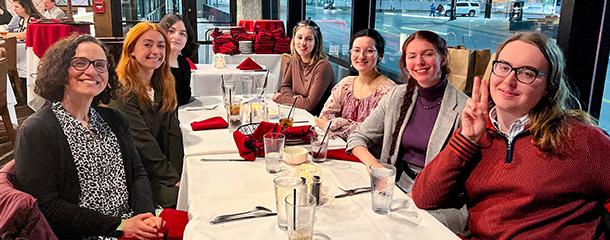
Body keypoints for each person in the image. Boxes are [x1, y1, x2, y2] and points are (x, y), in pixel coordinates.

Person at [412, 32, 610, 239]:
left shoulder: (582, 138)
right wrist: (466, 139)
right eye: (504, 67)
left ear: (549, 87)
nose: (509, 81)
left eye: (526, 73)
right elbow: (423, 197)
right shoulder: (479, 131)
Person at [14, 34, 164, 239]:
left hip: (128, 226)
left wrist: (144, 216)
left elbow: (138, 173)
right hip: (83, 234)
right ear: (60, 70)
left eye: (100, 65)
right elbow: (46, 205)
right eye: (80, 63)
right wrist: (120, 226)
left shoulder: (114, 119)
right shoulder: (37, 129)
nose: (92, 71)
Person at [346, 30, 468, 233]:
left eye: (427, 54)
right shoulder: (398, 95)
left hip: (440, 202)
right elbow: (357, 137)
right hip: (393, 188)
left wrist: (413, 196)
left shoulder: (463, 108)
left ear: (443, 57)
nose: (419, 61)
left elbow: (462, 180)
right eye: (412, 56)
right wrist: (378, 169)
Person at [109, 22, 184, 209]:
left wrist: (181, 173)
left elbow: (172, 132)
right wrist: (171, 177)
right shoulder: (122, 90)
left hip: (160, 170)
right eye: (148, 44)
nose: (156, 51)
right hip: (135, 174)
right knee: (191, 198)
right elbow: (141, 141)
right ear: (131, 49)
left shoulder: (164, 83)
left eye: (161, 45)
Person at [314, 29, 395, 140]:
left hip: (368, 155)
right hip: (338, 146)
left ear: (380, 55)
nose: (361, 56)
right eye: (356, 50)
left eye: (369, 51)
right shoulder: (345, 84)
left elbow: (373, 134)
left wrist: (334, 124)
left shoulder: (388, 91)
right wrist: (331, 125)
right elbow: (324, 118)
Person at [273, 20, 335, 115]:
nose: (303, 43)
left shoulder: (323, 66)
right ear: (294, 39)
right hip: (297, 112)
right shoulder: (295, 59)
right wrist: (293, 99)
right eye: (300, 37)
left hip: (315, 119)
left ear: (316, 42)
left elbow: (309, 105)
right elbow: (285, 86)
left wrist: (281, 98)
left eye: (309, 39)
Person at [159, 13, 197, 106]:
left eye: (182, 34)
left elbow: (185, 97)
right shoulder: (154, 63)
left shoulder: (184, 64)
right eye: (171, 31)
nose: (177, 37)